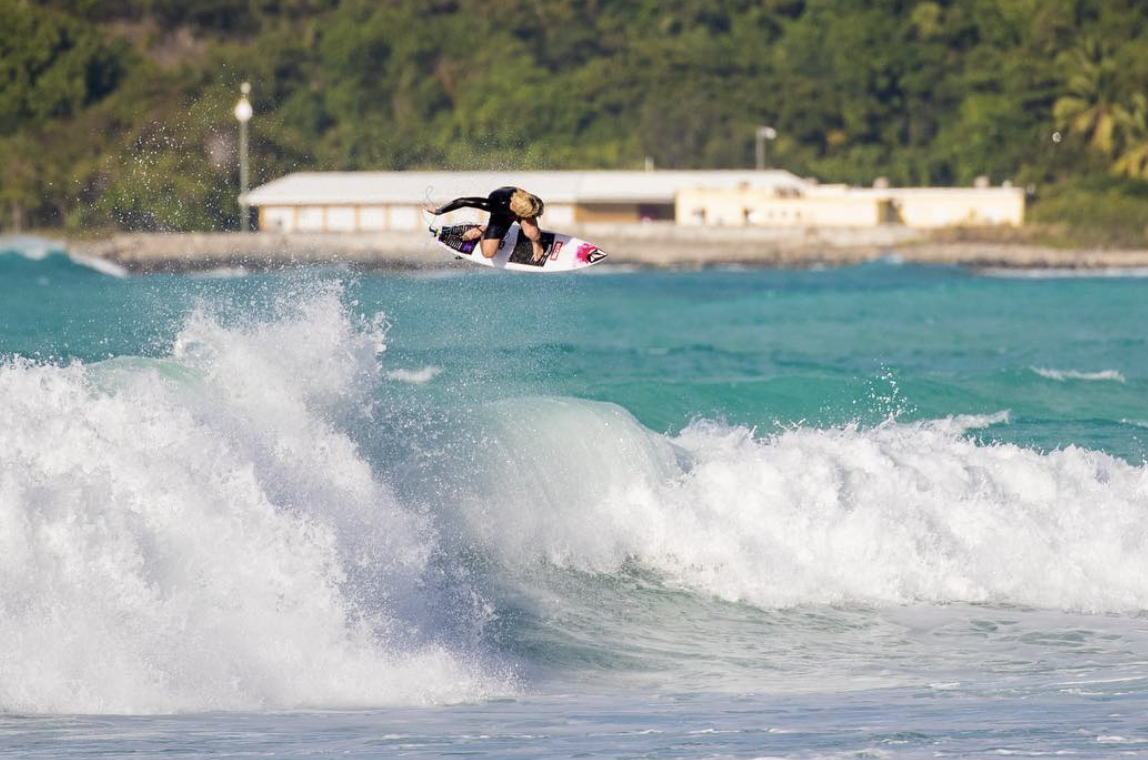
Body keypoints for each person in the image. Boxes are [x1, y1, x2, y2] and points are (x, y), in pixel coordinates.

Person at [425, 186, 546, 262]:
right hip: (501, 215)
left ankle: (537, 244)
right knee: (488, 253)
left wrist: (534, 234)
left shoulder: (530, 200)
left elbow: (534, 210)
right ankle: (482, 231)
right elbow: (463, 201)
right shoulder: (495, 204)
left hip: (521, 206)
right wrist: (438, 211)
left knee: (532, 232)